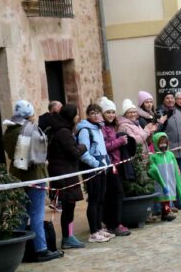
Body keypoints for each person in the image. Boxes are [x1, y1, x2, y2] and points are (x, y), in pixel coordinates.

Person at [2, 100, 63, 262]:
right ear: (29, 115)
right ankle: (41, 248)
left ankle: (17, 250)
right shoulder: (27, 130)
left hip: (17, 176)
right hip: (34, 175)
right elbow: (34, 156)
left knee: (21, 214)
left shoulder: (9, 130)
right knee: (36, 213)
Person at [47, 104, 88, 249]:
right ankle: (67, 237)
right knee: (68, 205)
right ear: (71, 116)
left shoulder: (61, 129)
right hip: (64, 174)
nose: (78, 117)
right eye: (76, 114)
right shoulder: (63, 132)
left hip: (66, 172)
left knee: (70, 205)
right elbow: (74, 152)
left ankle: (69, 235)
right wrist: (84, 146)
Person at [76, 104, 115, 243]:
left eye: (98, 112)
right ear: (88, 115)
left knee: (101, 198)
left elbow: (102, 148)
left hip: (102, 167)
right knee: (93, 199)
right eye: (93, 113)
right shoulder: (85, 130)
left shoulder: (98, 128)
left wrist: (107, 163)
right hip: (93, 169)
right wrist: (96, 164)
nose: (96, 115)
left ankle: (99, 227)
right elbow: (84, 153)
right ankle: (93, 231)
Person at [99, 97, 131, 236]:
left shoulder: (112, 126)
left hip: (116, 164)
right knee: (116, 194)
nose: (111, 115)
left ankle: (111, 222)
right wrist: (120, 141)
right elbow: (105, 147)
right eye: (108, 112)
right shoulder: (102, 128)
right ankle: (115, 224)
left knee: (114, 194)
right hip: (109, 165)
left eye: (113, 112)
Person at [147, 132, 181, 221]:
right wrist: (162, 184)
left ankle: (165, 212)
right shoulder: (153, 157)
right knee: (164, 200)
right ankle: (166, 212)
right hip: (159, 184)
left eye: (165, 143)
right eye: (161, 143)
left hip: (170, 182)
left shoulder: (170, 155)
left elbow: (177, 174)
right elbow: (153, 170)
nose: (163, 145)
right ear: (155, 143)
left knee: (167, 200)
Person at [38, 100, 63, 212]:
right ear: (53, 109)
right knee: (56, 178)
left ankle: (55, 201)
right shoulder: (51, 121)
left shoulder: (45, 120)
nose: (62, 109)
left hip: (49, 154)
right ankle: (56, 201)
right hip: (50, 153)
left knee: (55, 178)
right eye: (60, 107)